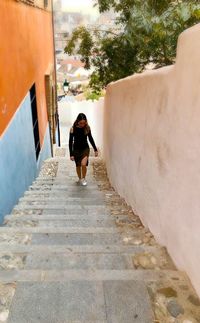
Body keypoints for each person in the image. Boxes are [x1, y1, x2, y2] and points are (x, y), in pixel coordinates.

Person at [69, 113, 98, 186]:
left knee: (83, 164)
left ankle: (84, 178)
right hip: (76, 149)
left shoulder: (87, 128)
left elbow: (90, 139)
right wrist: (71, 154)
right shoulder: (73, 128)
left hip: (85, 149)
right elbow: (70, 142)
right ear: (78, 121)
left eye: (84, 123)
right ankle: (79, 178)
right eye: (81, 123)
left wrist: (95, 149)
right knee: (78, 165)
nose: (82, 124)